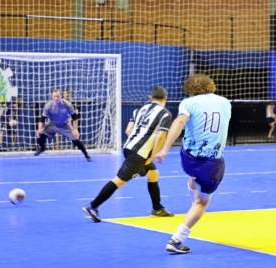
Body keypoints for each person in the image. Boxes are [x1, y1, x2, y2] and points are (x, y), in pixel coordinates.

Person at [152, 74, 232, 254]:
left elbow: (180, 122)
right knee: (202, 202)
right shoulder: (225, 102)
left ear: (190, 89)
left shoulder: (187, 103)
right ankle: (177, 239)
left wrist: (165, 148)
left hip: (187, 158)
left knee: (193, 179)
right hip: (211, 163)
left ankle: (194, 201)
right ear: (210, 86)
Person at [83, 86, 175, 222]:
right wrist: (151, 156)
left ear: (150, 98)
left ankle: (157, 208)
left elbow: (128, 130)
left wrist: (139, 140)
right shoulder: (165, 113)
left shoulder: (139, 110)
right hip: (139, 154)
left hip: (128, 148)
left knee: (153, 174)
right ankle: (92, 206)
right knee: (119, 181)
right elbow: (161, 136)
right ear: (165, 99)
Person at [34, 88, 91, 161]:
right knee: (40, 134)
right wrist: (39, 129)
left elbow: (74, 117)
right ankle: (42, 148)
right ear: (52, 97)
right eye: (54, 96)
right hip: (53, 124)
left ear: (60, 96)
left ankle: (86, 155)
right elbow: (42, 118)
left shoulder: (67, 104)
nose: (56, 98)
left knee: (76, 140)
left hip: (65, 125)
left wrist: (75, 129)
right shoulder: (48, 105)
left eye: (57, 96)